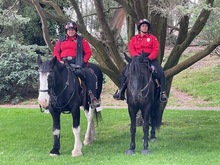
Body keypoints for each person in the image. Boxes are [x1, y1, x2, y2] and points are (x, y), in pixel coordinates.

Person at [113, 18, 167, 102]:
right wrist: (137, 58)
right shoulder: (134, 39)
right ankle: (121, 91)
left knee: (161, 73)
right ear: (139, 28)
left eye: (146, 26)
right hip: (137, 59)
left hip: (150, 59)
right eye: (143, 26)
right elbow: (131, 49)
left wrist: (149, 58)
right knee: (124, 73)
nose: (145, 27)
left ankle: (162, 93)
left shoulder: (153, 38)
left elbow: (155, 50)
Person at [53, 20, 100, 108]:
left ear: (75, 31)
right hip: (63, 63)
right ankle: (50, 100)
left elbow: (88, 53)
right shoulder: (60, 40)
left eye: (73, 30)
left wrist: (83, 61)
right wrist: (59, 61)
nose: (71, 32)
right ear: (66, 31)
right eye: (69, 30)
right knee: (51, 75)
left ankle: (92, 97)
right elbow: (56, 53)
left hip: (77, 63)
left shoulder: (82, 40)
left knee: (90, 75)